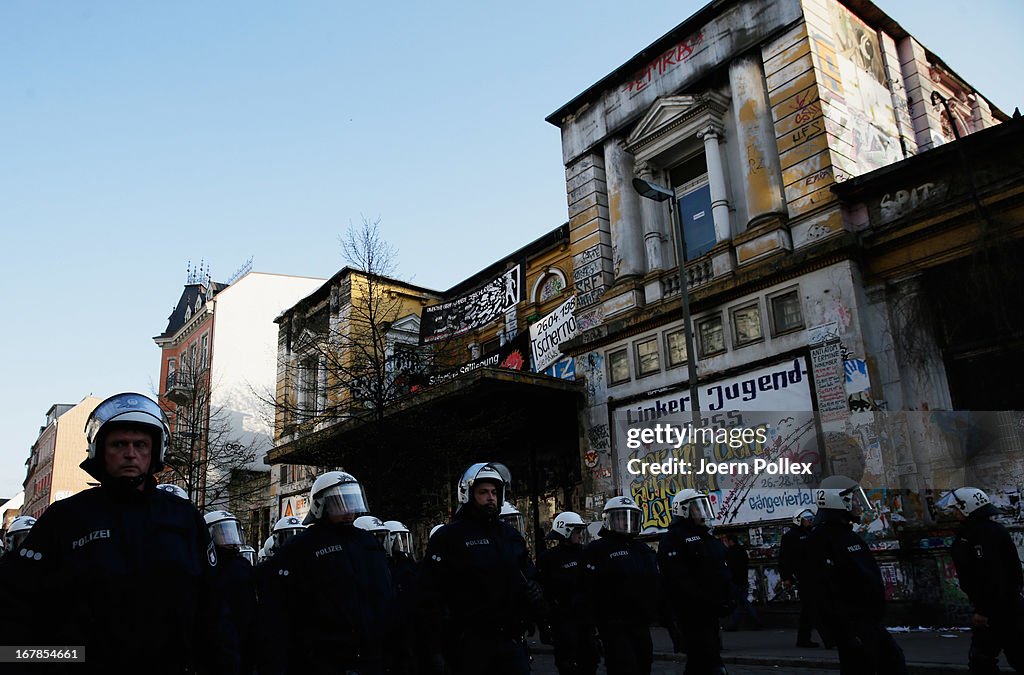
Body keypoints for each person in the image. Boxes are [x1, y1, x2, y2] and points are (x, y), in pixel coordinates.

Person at [4, 392, 218, 672]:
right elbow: (16, 612)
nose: (131, 453)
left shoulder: (183, 517)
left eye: (141, 444)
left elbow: (214, 609)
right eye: (119, 444)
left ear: (156, 451)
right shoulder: (65, 518)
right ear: (99, 450)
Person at [258, 470, 395, 674]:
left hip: (370, 654)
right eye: (341, 502)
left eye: (352, 500)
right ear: (321, 505)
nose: (349, 510)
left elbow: (384, 594)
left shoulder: (367, 542)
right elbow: (279, 607)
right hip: (321, 657)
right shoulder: (302, 546)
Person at [418, 462, 541, 675]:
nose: (490, 497)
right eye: (483, 492)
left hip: (510, 638)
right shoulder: (449, 537)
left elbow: (527, 571)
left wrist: (534, 591)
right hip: (470, 642)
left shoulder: (509, 535)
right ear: (467, 494)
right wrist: (434, 648)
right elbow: (431, 594)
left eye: (494, 492)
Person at [804, 475, 906, 675]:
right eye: (853, 498)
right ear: (839, 501)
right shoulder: (820, 539)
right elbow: (821, 588)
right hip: (851, 623)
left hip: (867, 620)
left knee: (890, 661)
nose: (859, 503)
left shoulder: (848, 534)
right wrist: (842, 629)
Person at [939, 487, 1024, 674]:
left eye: (957, 509)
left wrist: (984, 610)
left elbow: (990, 574)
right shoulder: (989, 531)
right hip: (1009, 606)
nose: (955, 513)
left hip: (997, 610)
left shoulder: (978, 535)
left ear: (967, 507)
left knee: (982, 660)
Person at [658, 489, 733, 675]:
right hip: (691, 612)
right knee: (707, 658)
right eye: (697, 508)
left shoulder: (707, 536)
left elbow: (721, 569)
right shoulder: (674, 539)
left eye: (703, 506)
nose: (702, 512)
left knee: (700, 661)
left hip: (711, 610)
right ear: (683, 510)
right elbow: (677, 578)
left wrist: (729, 596)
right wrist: (704, 599)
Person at [583, 495, 661, 675]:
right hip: (613, 623)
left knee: (644, 664)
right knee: (624, 666)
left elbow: (655, 582)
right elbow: (588, 588)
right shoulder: (598, 549)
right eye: (620, 517)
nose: (625, 522)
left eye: (630, 518)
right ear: (609, 520)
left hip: (641, 622)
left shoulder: (642, 549)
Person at [538, 511, 598, 675]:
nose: (580, 536)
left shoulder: (585, 553)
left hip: (585, 620)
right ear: (566, 531)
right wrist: (545, 623)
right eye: (577, 532)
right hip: (564, 621)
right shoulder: (549, 558)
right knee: (567, 665)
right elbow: (545, 592)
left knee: (590, 661)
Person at [205, 509, 258, 675]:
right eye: (223, 533)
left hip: (245, 629)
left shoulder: (242, 564)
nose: (230, 539)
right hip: (218, 635)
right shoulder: (207, 563)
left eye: (232, 532)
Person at [780, 507, 831, 648]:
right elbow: (784, 559)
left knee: (809, 611)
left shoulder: (813, 534)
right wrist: (787, 577)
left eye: (810, 519)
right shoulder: (791, 536)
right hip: (805, 577)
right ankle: (829, 639)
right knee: (816, 609)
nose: (809, 521)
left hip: (818, 575)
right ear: (799, 520)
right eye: (807, 519)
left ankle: (803, 639)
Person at [384, 520, 419, 674]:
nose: (401, 545)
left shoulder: (408, 565)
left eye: (404, 539)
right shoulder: (386, 567)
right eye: (397, 540)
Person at [723, 532, 761, 631]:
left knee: (738, 603)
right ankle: (755, 621)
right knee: (743, 601)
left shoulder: (731, 552)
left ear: (731, 541)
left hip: (735, 580)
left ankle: (735, 624)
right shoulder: (741, 551)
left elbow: (731, 567)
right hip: (742, 579)